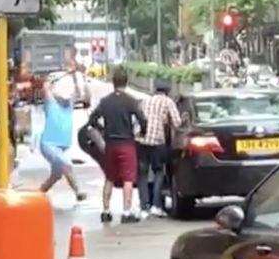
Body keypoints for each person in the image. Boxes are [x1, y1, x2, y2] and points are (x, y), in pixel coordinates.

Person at [88, 67, 147, 224]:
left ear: (113, 83)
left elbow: (92, 119)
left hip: (110, 145)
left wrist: (102, 130)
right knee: (128, 179)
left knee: (109, 178)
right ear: (126, 83)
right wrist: (141, 132)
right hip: (127, 143)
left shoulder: (105, 101)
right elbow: (142, 119)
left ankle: (106, 211)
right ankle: (126, 213)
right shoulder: (131, 101)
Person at [39, 66, 87, 201]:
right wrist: (50, 80)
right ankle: (78, 191)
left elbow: (79, 92)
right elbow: (45, 88)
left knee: (57, 174)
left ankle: (39, 192)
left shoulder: (69, 103)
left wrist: (78, 75)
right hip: (49, 144)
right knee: (66, 165)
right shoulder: (51, 103)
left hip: (63, 146)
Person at [137, 79, 181, 218]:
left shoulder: (145, 101)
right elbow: (177, 122)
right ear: (167, 91)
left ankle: (144, 208)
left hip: (141, 140)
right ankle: (156, 205)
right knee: (158, 172)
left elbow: (138, 118)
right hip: (157, 142)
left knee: (142, 174)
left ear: (155, 89)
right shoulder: (168, 102)